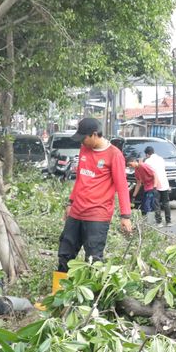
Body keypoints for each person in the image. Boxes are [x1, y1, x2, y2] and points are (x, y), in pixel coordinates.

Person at [56, 117, 131, 281]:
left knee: (93, 260)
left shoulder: (114, 155)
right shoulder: (84, 148)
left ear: (95, 135)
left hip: (97, 215)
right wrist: (70, 203)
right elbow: (80, 179)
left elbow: (122, 186)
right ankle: (58, 298)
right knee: (65, 253)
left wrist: (125, 216)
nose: (82, 142)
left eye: (84, 138)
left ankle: (89, 303)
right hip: (77, 211)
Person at [132, 149, 159, 221]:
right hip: (146, 188)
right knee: (143, 206)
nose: (130, 166)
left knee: (148, 205)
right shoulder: (136, 171)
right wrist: (134, 196)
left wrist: (155, 186)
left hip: (152, 188)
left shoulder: (143, 166)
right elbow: (138, 183)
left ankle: (150, 224)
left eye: (130, 164)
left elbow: (154, 174)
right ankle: (146, 222)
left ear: (134, 161)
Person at [151, 145, 173, 225]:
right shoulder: (161, 159)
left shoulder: (148, 161)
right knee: (166, 203)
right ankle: (168, 221)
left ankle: (159, 222)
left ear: (147, 154)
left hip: (156, 185)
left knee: (156, 203)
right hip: (164, 184)